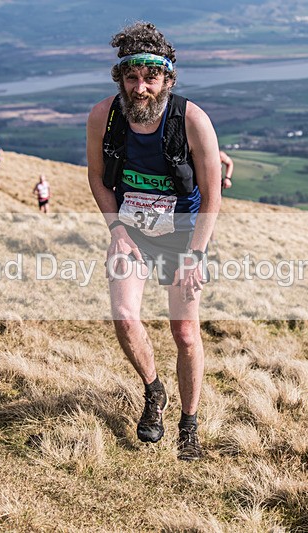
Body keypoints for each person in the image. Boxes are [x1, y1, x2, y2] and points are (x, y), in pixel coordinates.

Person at [86, 22, 221, 461]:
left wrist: (196, 255)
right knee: (125, 317)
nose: (140, 87)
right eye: (131, 77)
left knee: (184, 332)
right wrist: (117, 230)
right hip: (133, 232)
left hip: (183, 237)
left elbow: (212, 194)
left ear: (166, 79)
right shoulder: (103, 116)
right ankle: (153, 392)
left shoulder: (192, 120)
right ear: (120, 78)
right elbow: (96, 176)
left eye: (150, 77)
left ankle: (189, 427)